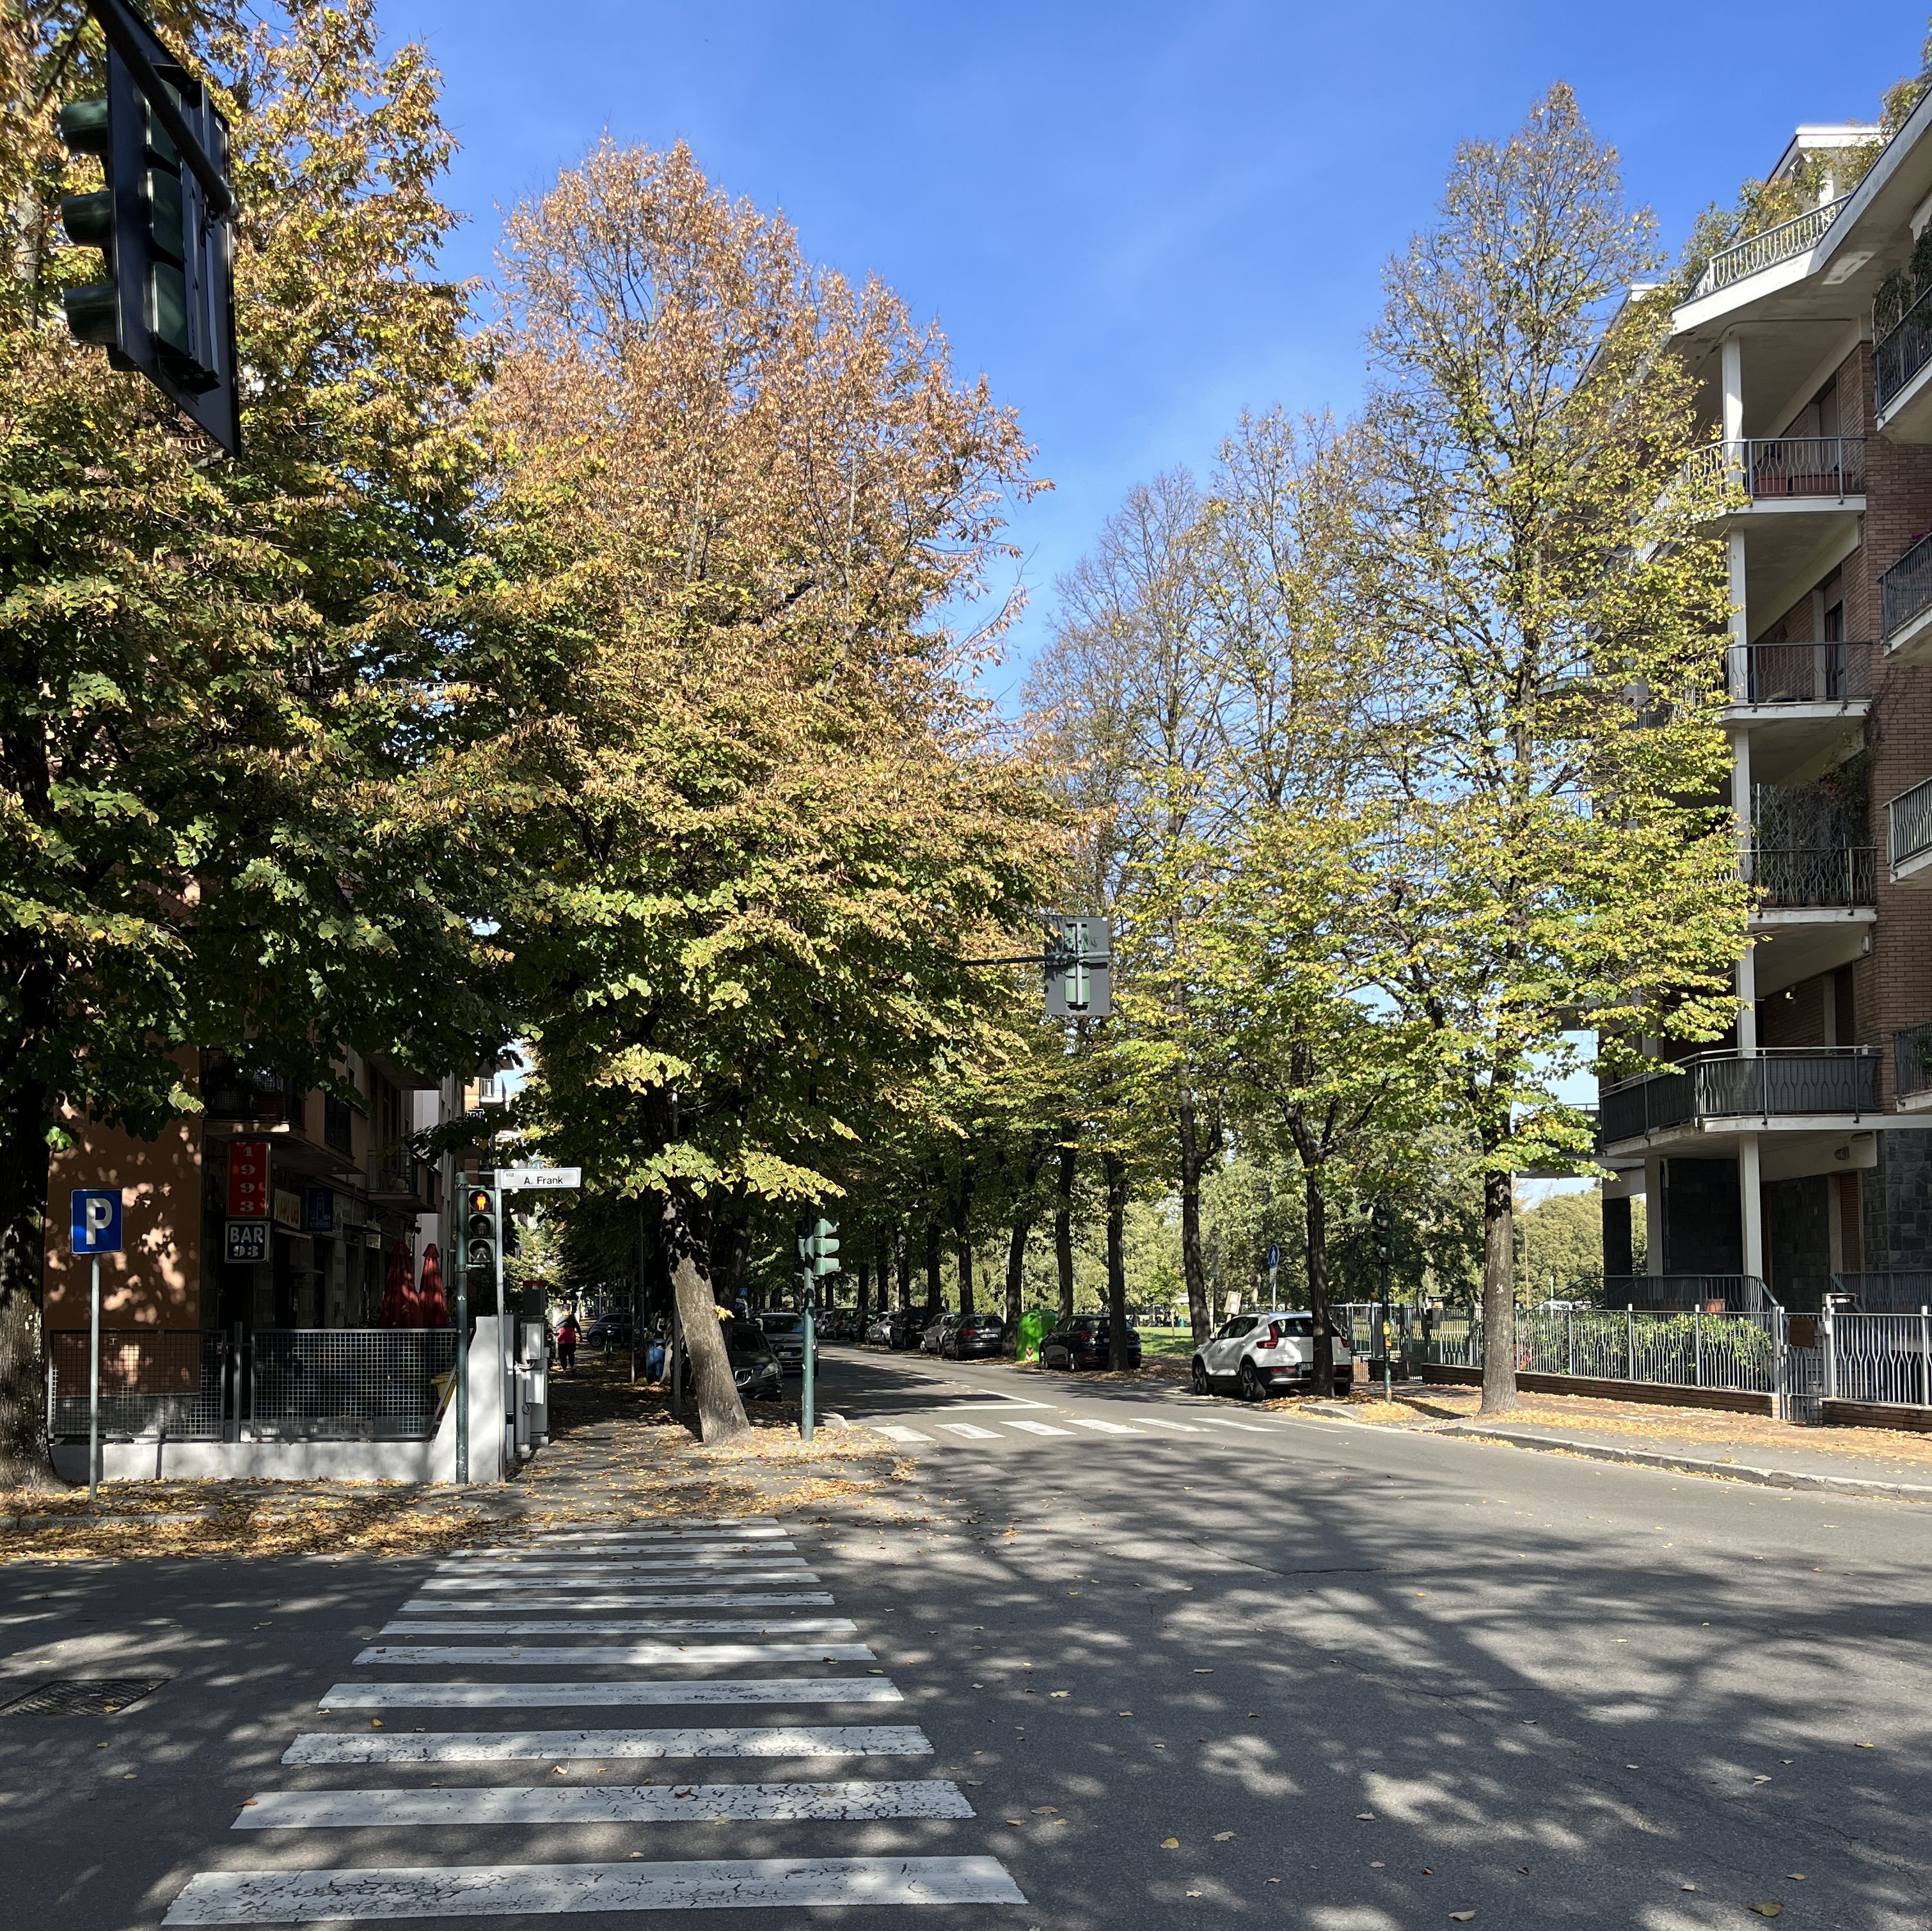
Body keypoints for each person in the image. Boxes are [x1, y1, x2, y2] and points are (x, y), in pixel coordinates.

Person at [557, 1309, 580, 1374]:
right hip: (570, 1339)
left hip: (563, 1339)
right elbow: (577, 1326)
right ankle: (572, 1367)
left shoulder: (561, 1318)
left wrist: (554, 1331)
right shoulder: (572, 1318)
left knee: (563, 1355)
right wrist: (580, 1335)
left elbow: (557, 1327)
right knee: (571, 1353)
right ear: (569, 1311)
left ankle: (565, 1369)